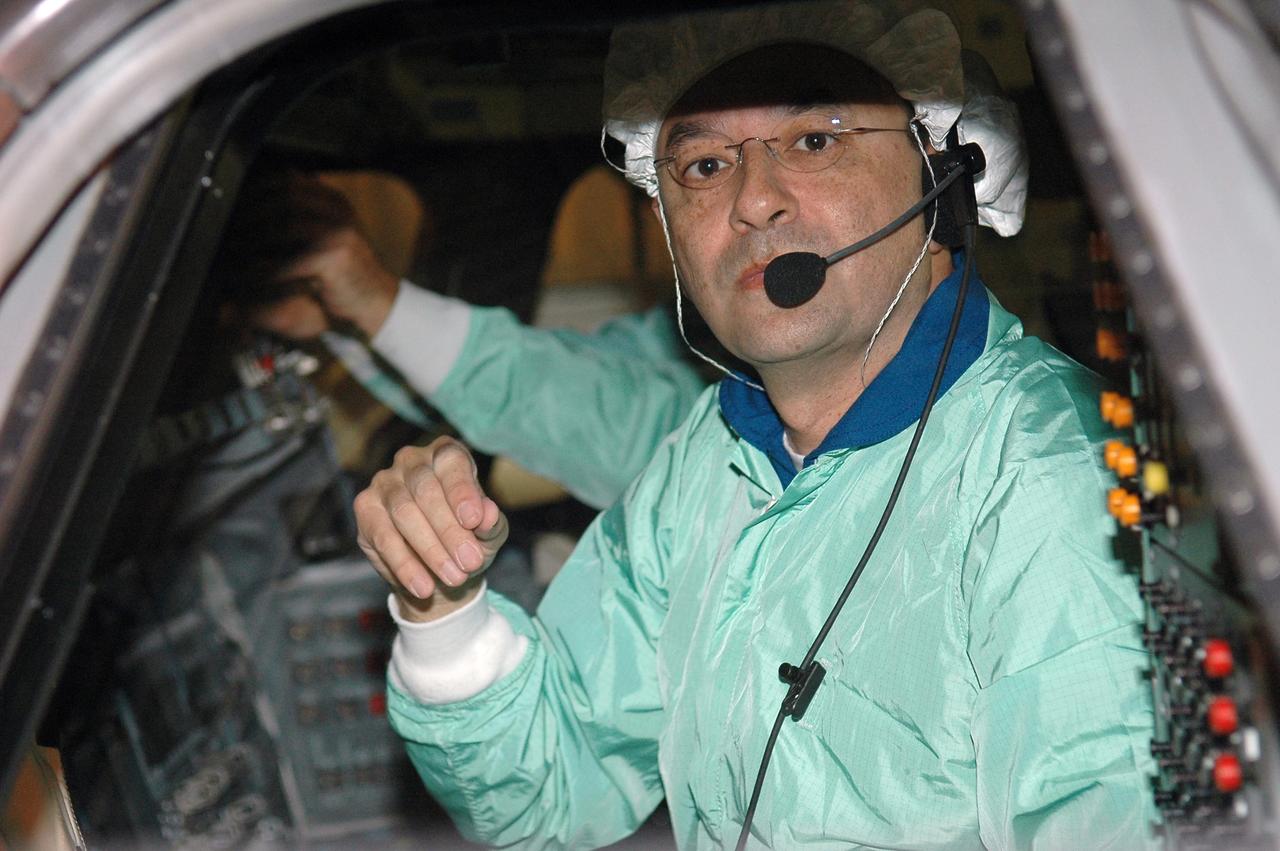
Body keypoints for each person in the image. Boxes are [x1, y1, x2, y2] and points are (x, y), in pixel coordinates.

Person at [354, 3, 1158, 848]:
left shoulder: (1056, 479)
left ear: (946, 175)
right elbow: (552, 792)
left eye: (815, 139)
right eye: (702, 164)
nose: (754, 201)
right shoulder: (712, 453)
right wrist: (443, 610)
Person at [228, 170, 706, 510]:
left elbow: (655, 441)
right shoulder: (687, 332)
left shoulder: (752, 394)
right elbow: (570, 375)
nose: (660, 211)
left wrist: (377, 305)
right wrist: (348, 317)